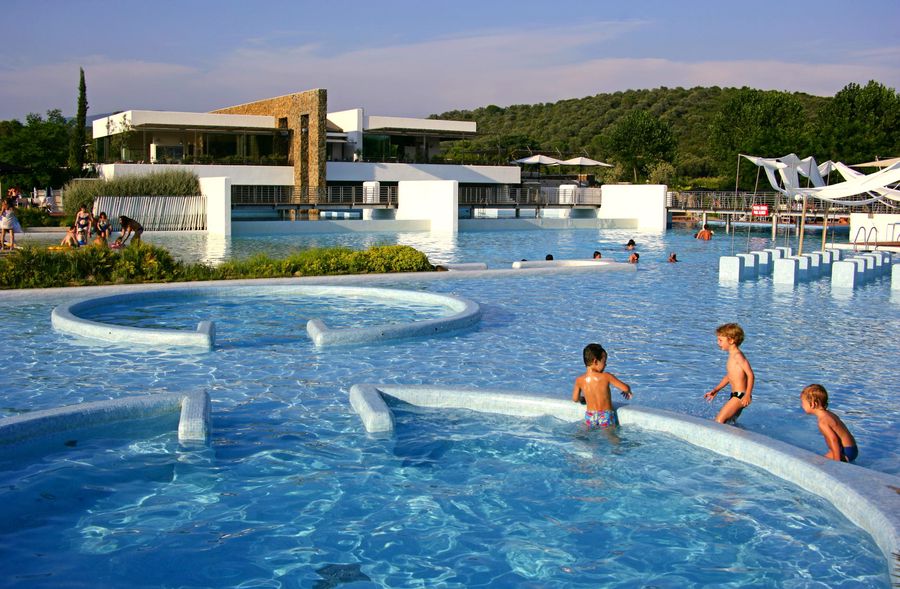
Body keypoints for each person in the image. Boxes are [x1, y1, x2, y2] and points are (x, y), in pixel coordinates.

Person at [572, 343, 632, 429]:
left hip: (590, 415)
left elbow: (575, 399)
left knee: (587, 433)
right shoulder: (606, 376)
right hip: (605, 415)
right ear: (595, 361)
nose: (606, 365)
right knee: (609, 434)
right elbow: (625, 388)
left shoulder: (579, 380)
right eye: (604, 362)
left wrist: (583, 399)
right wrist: (627, 389)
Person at [703, 323, 754, 424]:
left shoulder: (738, 356)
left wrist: (747, 395)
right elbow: (729, 376)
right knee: (729, 423)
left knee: (719, 421)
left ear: (731, 340)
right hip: (736, 396)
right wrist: (716, 390)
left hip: (740, 396)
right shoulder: (732, 356)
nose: (718, 343)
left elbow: (750, 375)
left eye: (720, 340)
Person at [800, 384, 858, 463]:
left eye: (803, 402)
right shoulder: (829, 414)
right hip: (850, 448)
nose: (802, 405)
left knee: (815, 464)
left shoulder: (823, 422)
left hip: (845, 451)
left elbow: (834, 440)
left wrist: (837, 461)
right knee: (818, 460)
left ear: (813, 404)